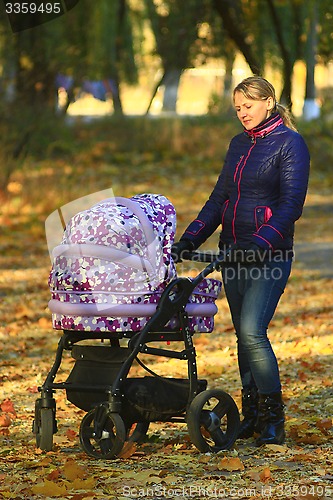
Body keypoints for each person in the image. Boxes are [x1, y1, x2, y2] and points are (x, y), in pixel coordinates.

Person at [171, 76, 310, 446]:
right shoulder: (238, 145)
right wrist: (190, 237)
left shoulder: (291, 144)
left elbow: (290, 206)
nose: (243, 114)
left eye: (248, 106)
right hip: (232, 252)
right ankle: (250, 416)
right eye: (237, 109)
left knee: (252, 331)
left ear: (268, 102)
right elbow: (219, 199)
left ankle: (273, 419)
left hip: (270, 255)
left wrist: (261, 243)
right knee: (244, 338)